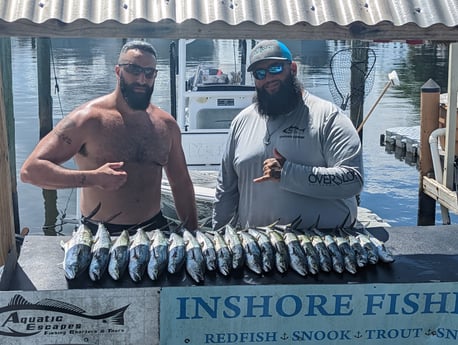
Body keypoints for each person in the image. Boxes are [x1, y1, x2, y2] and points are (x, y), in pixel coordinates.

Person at [20, 40, 198, 235]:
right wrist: (93, 178)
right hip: (99, 235)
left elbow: (180, 182)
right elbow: (31, 170)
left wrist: (194, 234)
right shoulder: (87, 120)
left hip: (154, 232)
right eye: (133, 69)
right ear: (118, 71)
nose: (141, 79)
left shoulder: (167, 126)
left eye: (149, 73)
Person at [212, 40, 364, 230]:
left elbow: (353, 180)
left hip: (324, 248)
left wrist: (289, 174)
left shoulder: (328, 118)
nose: (268, 78)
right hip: (258, 249)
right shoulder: (241, 122)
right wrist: (218, 236)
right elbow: (226, 192)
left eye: (275, 68)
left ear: (292, 68)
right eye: (260, 73)